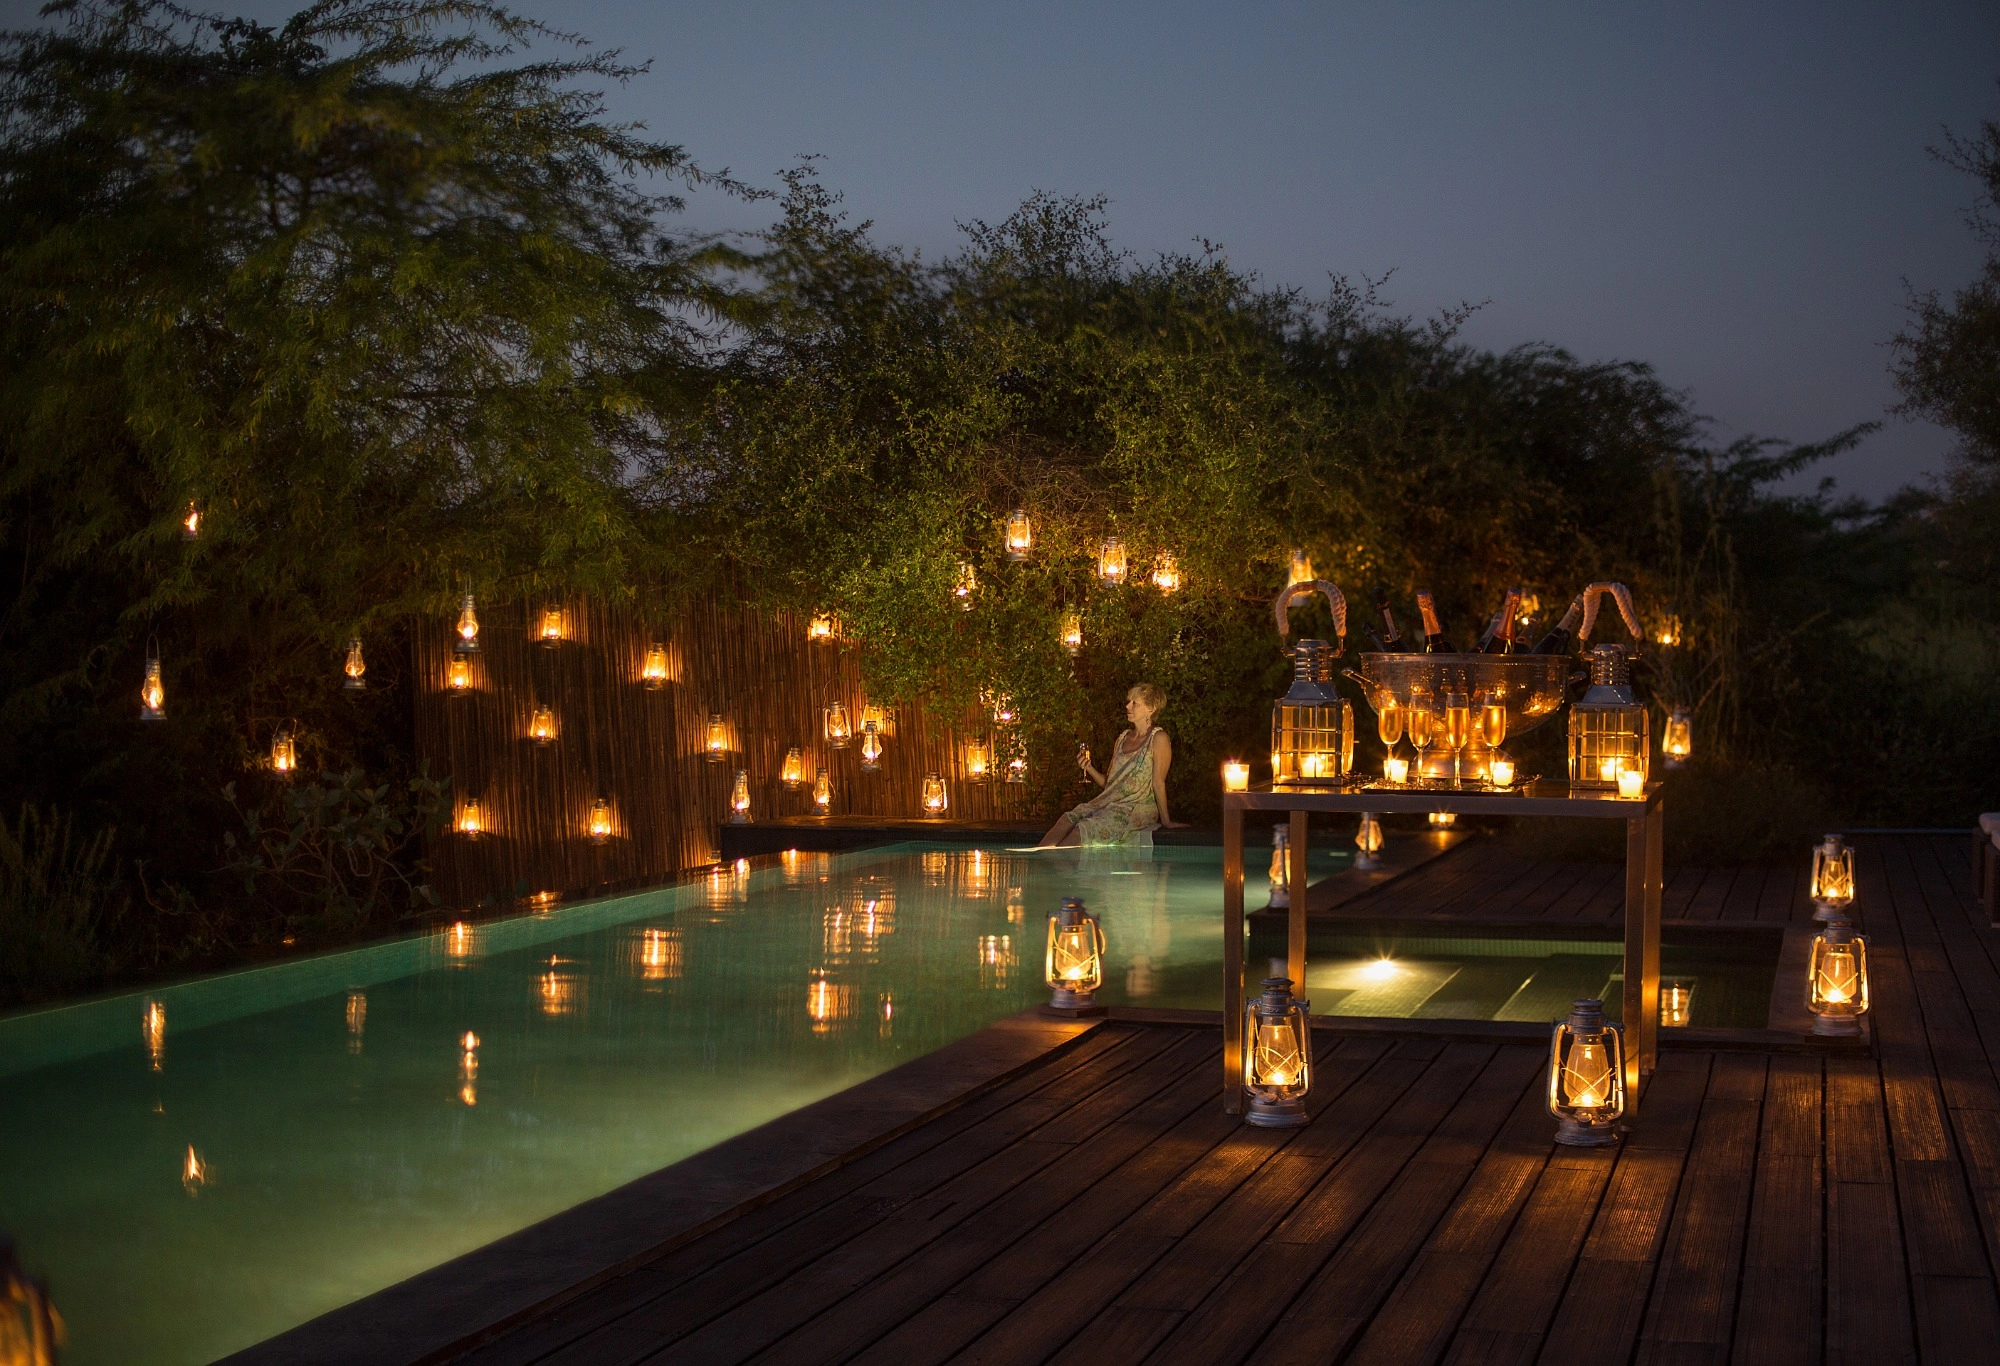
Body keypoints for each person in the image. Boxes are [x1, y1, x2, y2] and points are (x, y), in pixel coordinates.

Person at [1038, 683, 1185, 847]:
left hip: (1135, 807)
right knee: (1067, 819)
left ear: (1151, 709)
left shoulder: (1158, 739)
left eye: (1134, 703)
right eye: (1128, 701)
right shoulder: (1122, 738)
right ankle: (1039, 865)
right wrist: (1089, 768)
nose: (1128, 706)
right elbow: (1109, 784)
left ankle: (1059, 867)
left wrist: (1166, 821)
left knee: (1084, 829)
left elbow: (1158, 782)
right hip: (1108, 802)